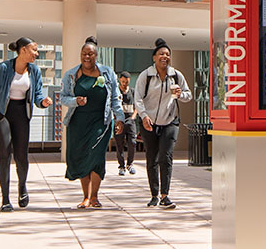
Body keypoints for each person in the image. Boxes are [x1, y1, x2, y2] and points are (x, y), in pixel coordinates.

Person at [0, 37, 53, 212]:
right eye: (34, 50)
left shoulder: (34, 71)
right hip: (0, 114)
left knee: (21, 156)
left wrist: (44, 103)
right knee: (5, 154)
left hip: (21, 114)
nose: (36, 53)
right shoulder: (4, 68)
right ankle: (5, 199)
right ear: (23, 50)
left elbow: (38, 97)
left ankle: (22, 187)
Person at [60, 36, 124, 209]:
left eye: (90, 54)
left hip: (101, 122)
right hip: (78, 123)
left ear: (97, 55)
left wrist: (119, 118)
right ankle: (86, 197)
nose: (87, 57)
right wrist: (75, 101)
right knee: (81, 157)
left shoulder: (107, 73)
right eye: (84, 54)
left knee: (96, 156)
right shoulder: (71, 75)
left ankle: (94, 196)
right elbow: (63, 98)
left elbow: (115, 99)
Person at [135, 38, 192, 209]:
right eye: (161, 54)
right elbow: (138, 99)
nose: (164, 57)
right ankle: (154, 195)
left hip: (170, 121)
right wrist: (144, 116)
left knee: (166, 157)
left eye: (167, 55)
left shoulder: (176, 75)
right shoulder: (146, 76)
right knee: (152, 157)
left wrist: (181, 94)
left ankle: (165, 196)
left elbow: (188, 96)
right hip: (149, 122)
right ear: (154, 57)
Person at [114, 71, 138, 176]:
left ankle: (130, 164)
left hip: (130, 119)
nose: (124, 84)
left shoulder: (133, 92)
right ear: (120, 80)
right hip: (119, 120)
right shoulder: (116, 92)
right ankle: (121, 166)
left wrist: (133, 117)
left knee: (132, 142)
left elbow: (137, 106)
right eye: (123, 82)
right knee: (119, 144)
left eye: (127, 82)